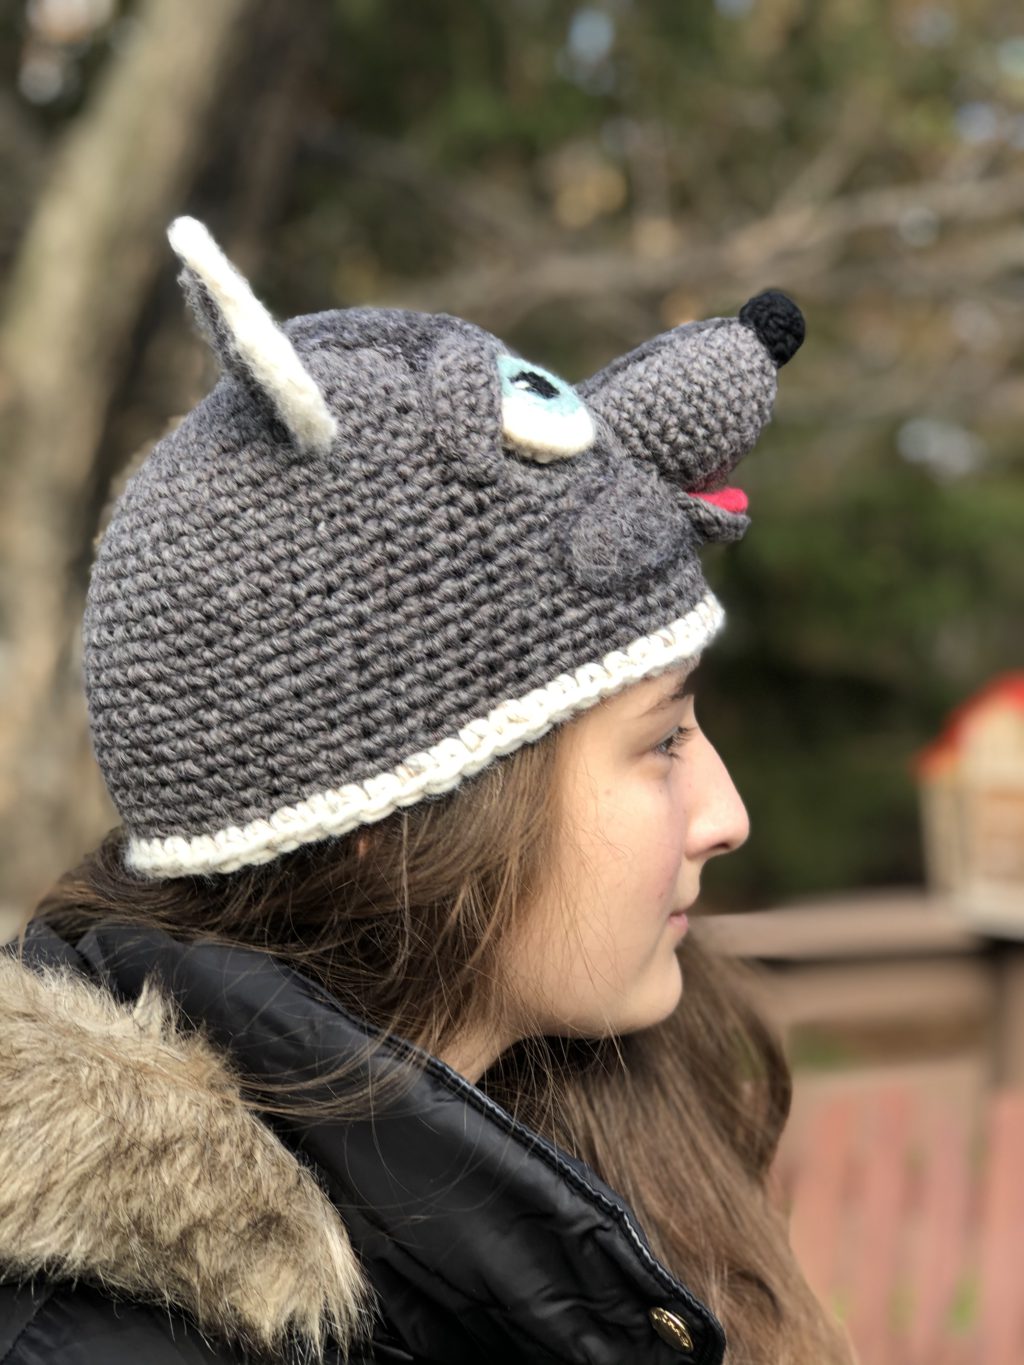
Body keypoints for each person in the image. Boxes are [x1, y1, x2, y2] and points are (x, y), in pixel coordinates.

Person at [0, 217, 856, 1364]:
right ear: (388, 824)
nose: (727, 815)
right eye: (661, 741)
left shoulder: (578, 1119)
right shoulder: (94, 1338)